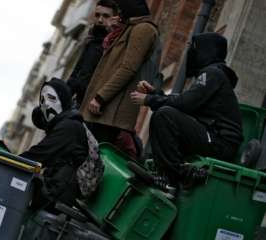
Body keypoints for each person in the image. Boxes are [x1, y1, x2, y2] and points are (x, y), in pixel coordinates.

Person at [130, 32, 243, 189]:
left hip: (220, 142)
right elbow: (186, 102)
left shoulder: (213, 73)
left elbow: (185, 103)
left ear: (206, 50)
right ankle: (173, 173)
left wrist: (149, 100)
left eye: (194, 48)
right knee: (167, 114)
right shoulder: (213, 74)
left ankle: (171, 178)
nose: (190, 52)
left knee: (165, 115)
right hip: (213, 137)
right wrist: (155, 94)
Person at [80, 0, 159, 153]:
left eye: (120, 8)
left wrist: (101, 97)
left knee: (94, 158)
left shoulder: (143, 29)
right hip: (105, 111)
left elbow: (128, 68)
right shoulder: (131, 28)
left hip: (110, 113)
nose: (119, 12)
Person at [21, 78, 88, 208]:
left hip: (58, 197)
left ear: (63, 101)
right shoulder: (65, 123)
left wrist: (6, 162)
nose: (46, 104)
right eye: (42, 100)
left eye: (51, 98)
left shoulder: (69, 126)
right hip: (55, 188)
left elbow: (37, 156)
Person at [67, 0, 118, 106]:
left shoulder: (117, 44)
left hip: (96, 104)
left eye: (106, 16)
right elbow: (78, 71)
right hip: (79, 101)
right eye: (97, 15)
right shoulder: (91, 39)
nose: (100, 20)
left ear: (115, 18)